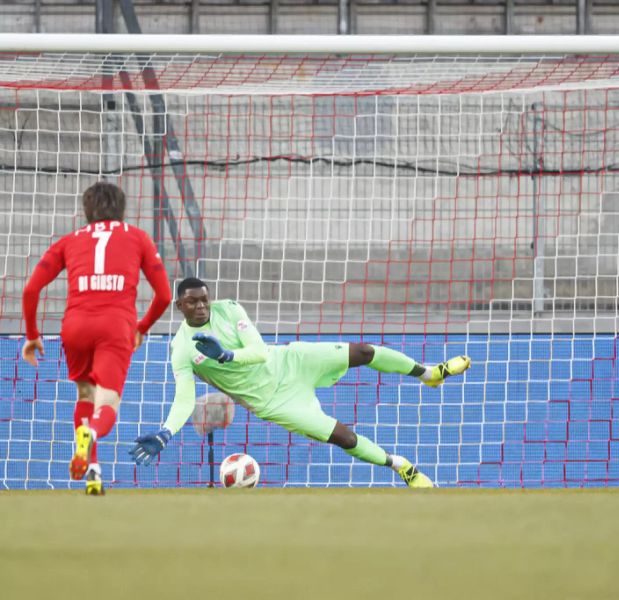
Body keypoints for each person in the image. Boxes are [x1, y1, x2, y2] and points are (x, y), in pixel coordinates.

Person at [130, 277, 471, 488]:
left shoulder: (229, 309)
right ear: (179, 306)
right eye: (193, 301)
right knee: (343, 436)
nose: (202, 305)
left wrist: (226, 357)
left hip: (288, 361)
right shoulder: (181, 349)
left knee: (364, 351)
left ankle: (430, 374)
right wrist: (166, 432)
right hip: (273, 402)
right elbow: (184, 399)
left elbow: (260, 352)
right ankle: (402, 467)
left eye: (204, 298)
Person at [21, 181, 172, 495]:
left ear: (87, 210)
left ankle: (93, 471)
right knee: (107, 402)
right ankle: (90, 431)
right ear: (122, 208)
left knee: (85, 396)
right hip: (115, 326)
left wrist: (33, 335)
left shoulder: (68, 241)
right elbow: (164, 295)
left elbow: (30, 289)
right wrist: (141, 328)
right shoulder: (138, 237)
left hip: (75, 326)